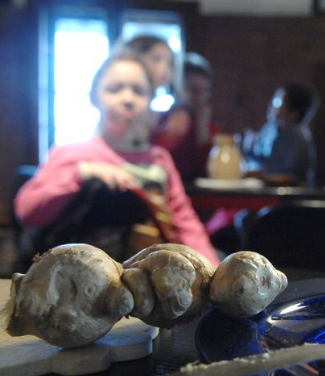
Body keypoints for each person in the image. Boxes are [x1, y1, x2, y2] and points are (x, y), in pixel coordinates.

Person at [14, 51, 218, 265]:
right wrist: (84, 172)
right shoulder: (72, 153)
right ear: (94, 96)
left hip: (145, 273)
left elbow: (183, 221)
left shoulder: (158, 159)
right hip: (78, 274)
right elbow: (27, 210)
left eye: (139, 91)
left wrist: (212, 270)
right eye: (115, 89)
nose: (127, 99)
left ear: (150, 100)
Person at [150, 52, 221, 181]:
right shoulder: (159, 123)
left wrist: (202, 131)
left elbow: (209, 173)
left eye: (204, 90)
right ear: (177, 88)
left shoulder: (210, 128)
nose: (200, 97)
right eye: (193, 90)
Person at [242, 83, 318, 186]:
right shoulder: (271, 129)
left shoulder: (297, 137)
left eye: (277, 102)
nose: (271, 106)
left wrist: (258, 172)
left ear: (294, 113)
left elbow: (286, 175)